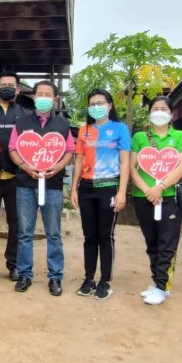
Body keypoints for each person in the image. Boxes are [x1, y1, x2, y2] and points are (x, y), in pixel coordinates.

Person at [8, 81, 75, 296]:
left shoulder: (63, 124)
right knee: (25, 233)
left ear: (55, 99)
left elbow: (70, 152)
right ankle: (25, 274)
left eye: (48, 94)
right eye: (40, 94)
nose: (44, 98)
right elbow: (12, 149)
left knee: (53, 233)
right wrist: (25, 167)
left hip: (53, 186)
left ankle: (55, 277)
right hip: (25, 185)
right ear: (34, 97)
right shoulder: (21, 122)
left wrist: (57, 168)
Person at [69, 89, 131, 300]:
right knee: (89, 236)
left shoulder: (120, 129)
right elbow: (78, 160)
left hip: (109, 188)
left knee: (106, 236)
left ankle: (105, 281)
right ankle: (88, 279)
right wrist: (73, 189)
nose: (96, 107)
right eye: (92, 103)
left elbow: (125, 162)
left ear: (110, 105)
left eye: (100, 103)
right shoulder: (84, 130)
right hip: (86, 188)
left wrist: (122, 192)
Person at [130, 96, 182, 306]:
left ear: (171, 114)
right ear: (149, 113)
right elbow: (131, 167)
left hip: (169, 199)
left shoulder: (180, 136)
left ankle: (162, 286)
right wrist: (148, 189)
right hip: (143, 197)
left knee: (167, 243)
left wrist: (160, 187)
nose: (159, 112)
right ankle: (157, 281)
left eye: (163, 109)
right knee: (152, 243)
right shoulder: (139, 137)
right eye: (154, 108)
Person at [0, 71, 30, 279]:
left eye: (11, 84)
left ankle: (13, 265)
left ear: (18, 89)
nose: (7, 88)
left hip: (17, 178)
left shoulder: (26, 116)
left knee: (16, 223)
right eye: (3, 85)